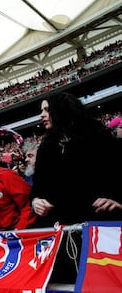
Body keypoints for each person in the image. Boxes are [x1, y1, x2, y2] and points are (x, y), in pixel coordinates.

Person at [30, 92, 122, 226]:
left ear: (62, 109)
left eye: (47, 110)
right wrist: (35, 201)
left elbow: (117, 172)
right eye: (41, 110)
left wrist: (119, 201)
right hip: (64, 225)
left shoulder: (98, 136)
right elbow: (38, 186)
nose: (42, 115)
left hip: (101, 222)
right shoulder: (46, 146)